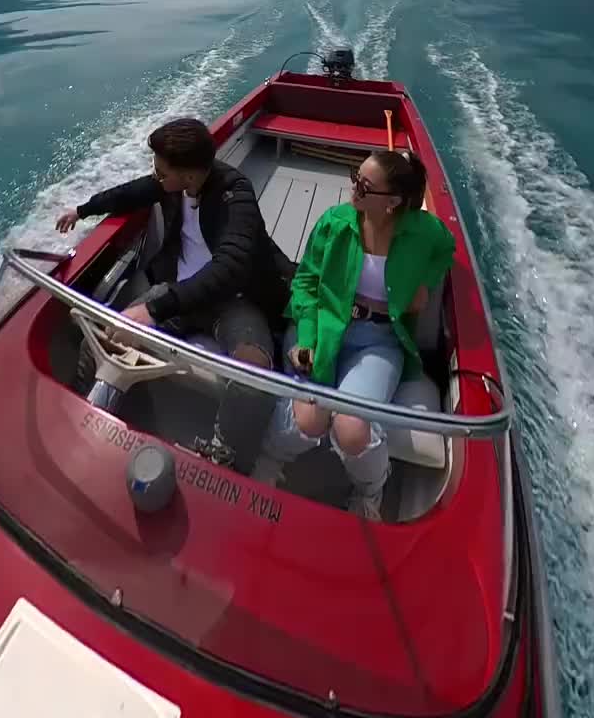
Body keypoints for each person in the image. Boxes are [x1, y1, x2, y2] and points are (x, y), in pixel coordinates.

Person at [56, 117, 293, 470]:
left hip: (233, 302)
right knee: (107, 336)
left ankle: (224, 453)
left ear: (190, 175)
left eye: (162, 172)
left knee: (253, 373)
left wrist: (154, 310)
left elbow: (232, 266)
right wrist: (83, 210)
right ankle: (83, 404)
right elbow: (132, 192)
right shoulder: (170, 185)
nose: (156, 178)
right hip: (180, 293)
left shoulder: (236, 193)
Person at [256, 149, 456, 519]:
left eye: (364, 185)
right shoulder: (335, 222)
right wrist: (307, 339)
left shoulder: (425, 232)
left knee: (352, 428)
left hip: (380, 342)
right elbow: (305, 284)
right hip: (322, 328)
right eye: (354, 177)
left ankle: (369, 493)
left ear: (394, 202)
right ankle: (269, 459)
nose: (354, 190)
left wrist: (425, 284)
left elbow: (447, 248)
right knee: (309, 419)